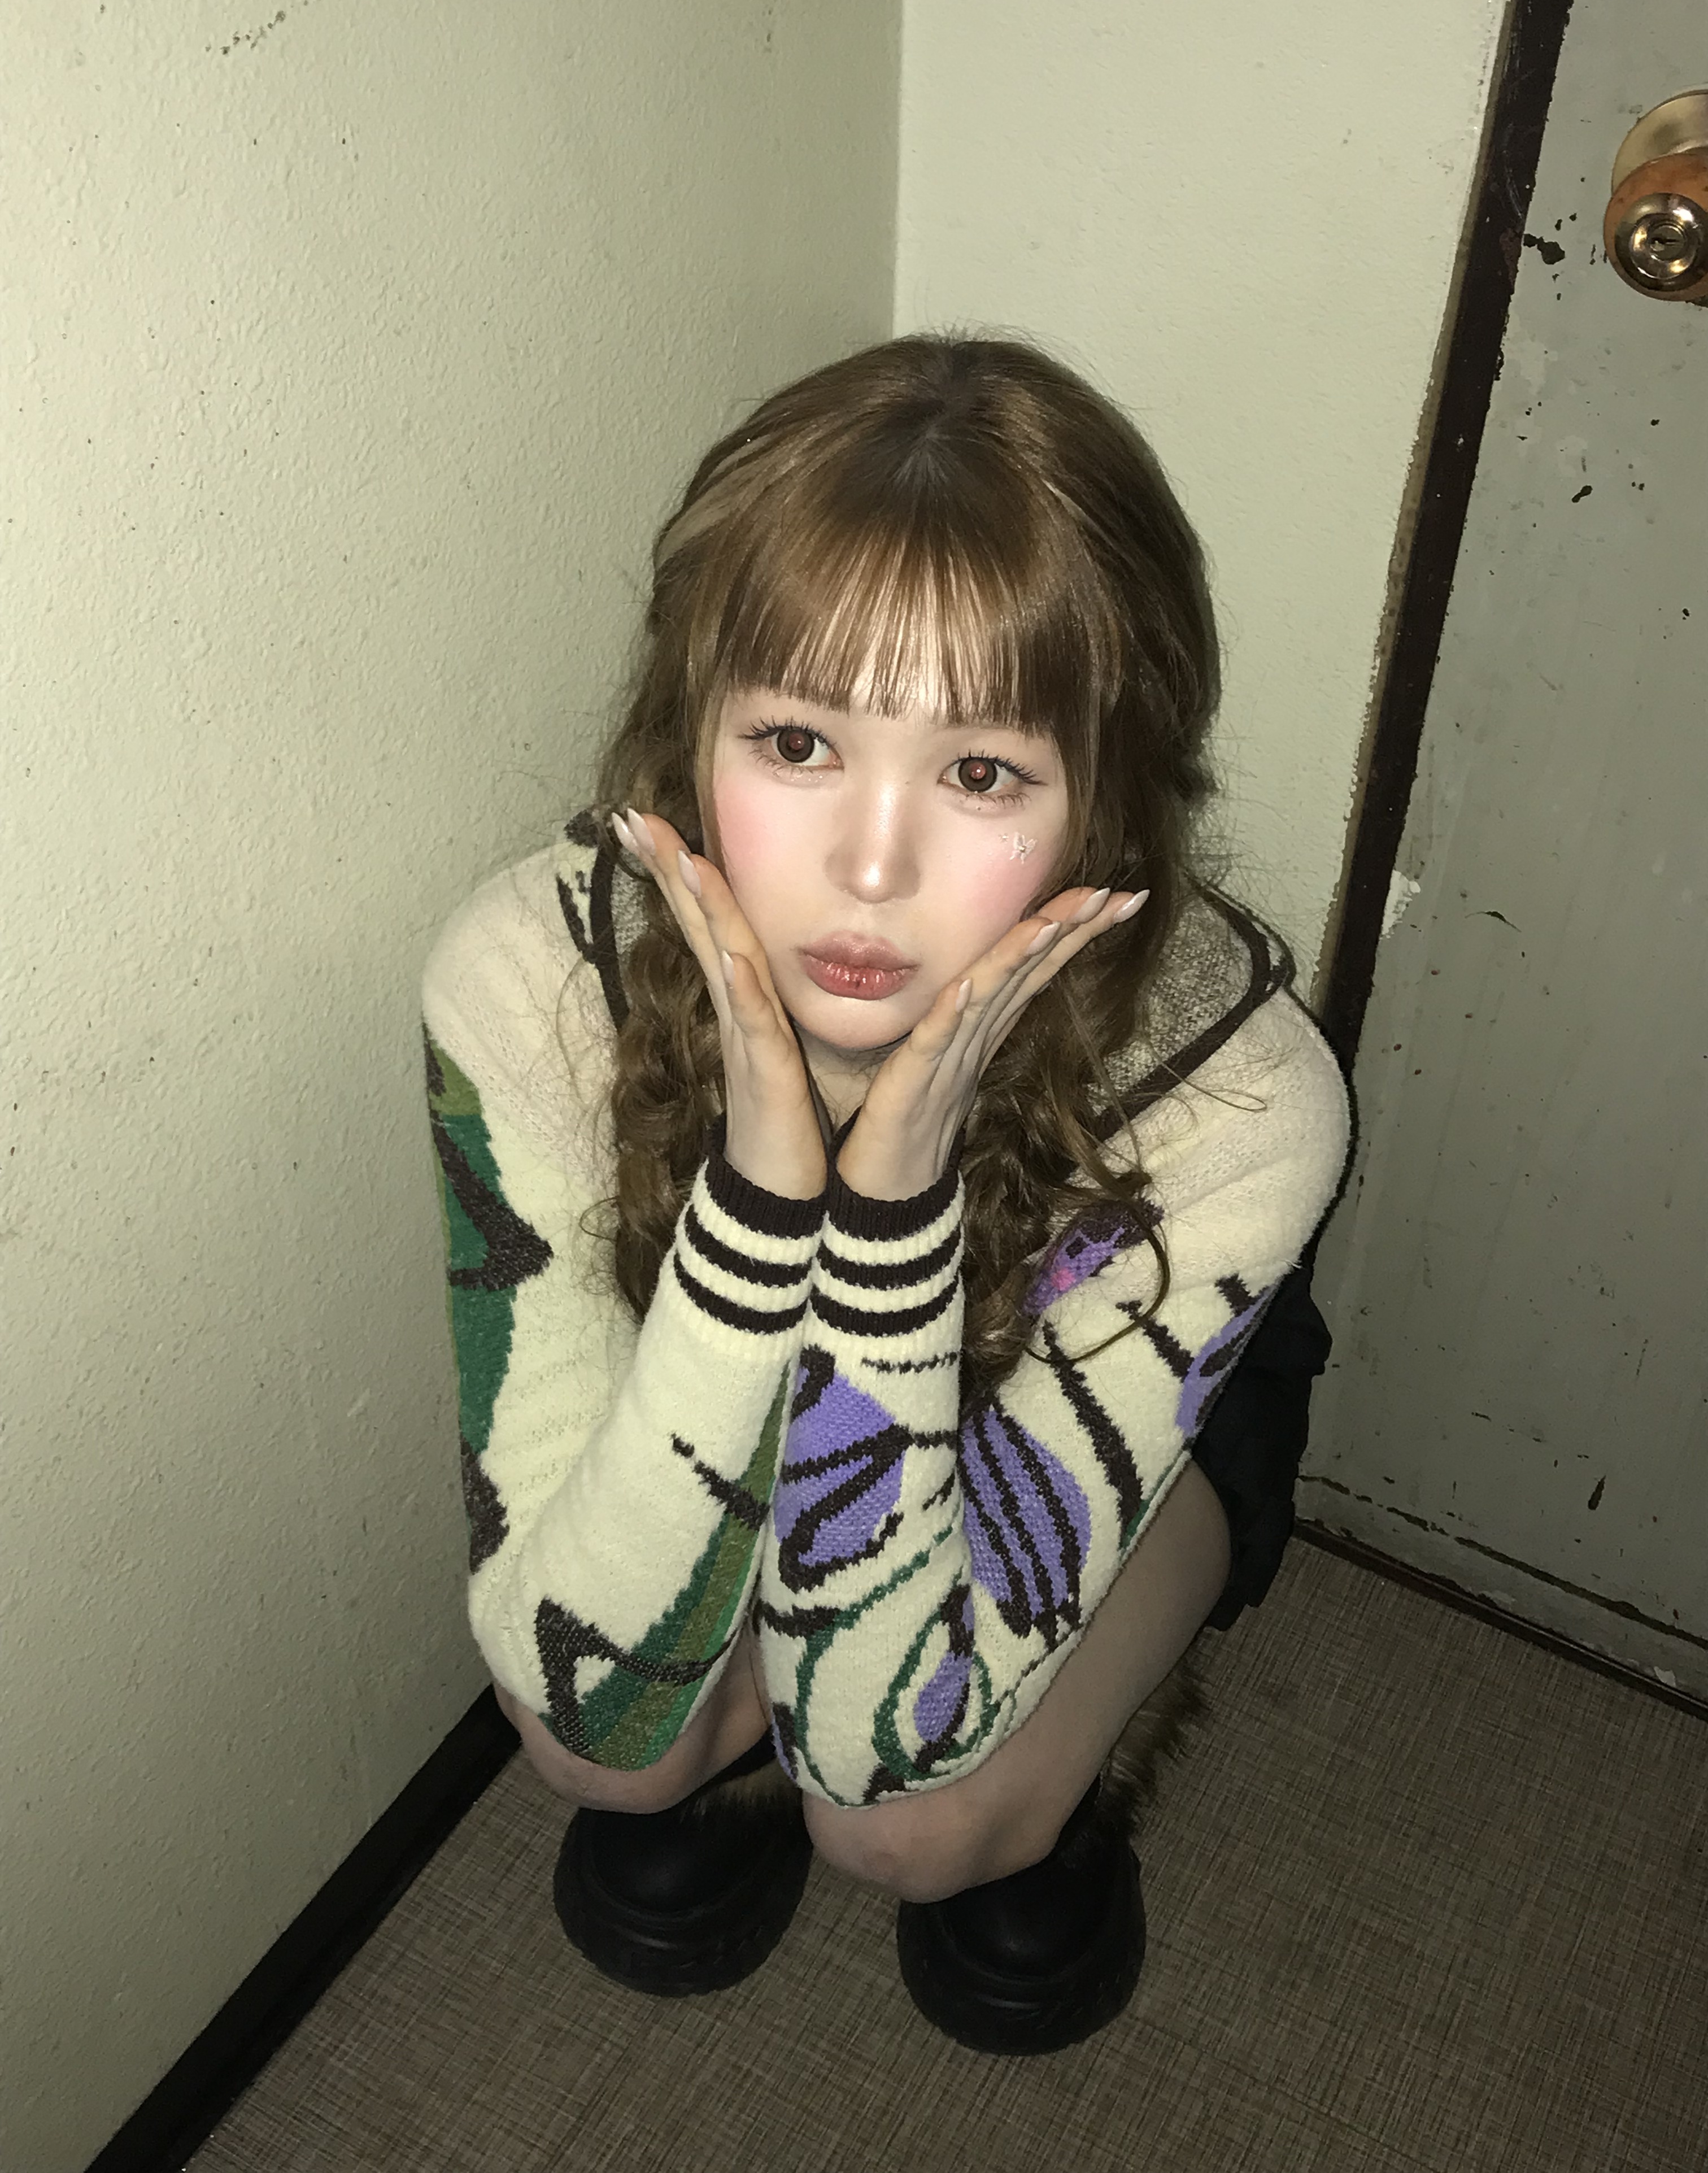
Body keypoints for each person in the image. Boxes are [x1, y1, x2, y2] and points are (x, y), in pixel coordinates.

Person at [422, 333, 1350, 2054]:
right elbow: (584, 1707)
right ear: (689, 729)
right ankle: (736, 1751)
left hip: (1111, 1397)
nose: (869, 865)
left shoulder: (1240, 1095)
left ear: (1105, 794)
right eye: (796, 741)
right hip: (731, 1371)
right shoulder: (528, 979)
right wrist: (765, 1210)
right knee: (607, 1746)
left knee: (910, 1820)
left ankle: (1048, 1791)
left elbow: (876, 1750)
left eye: (983, 771)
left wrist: (897, 1202)